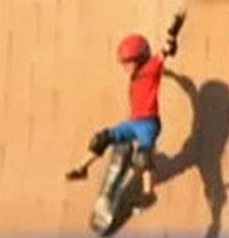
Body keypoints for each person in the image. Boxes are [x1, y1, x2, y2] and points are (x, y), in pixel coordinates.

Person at [65, 11, 186, 210]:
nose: (124, 67)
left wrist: (174, 29)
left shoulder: (151, 68)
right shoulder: (136, 74)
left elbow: (167, 50)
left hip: (149, 124)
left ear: (139, 60)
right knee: (102, 138)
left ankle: (149, 193)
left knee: (143, 156)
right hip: (133, 123)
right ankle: (82, 168)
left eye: (127, 62)